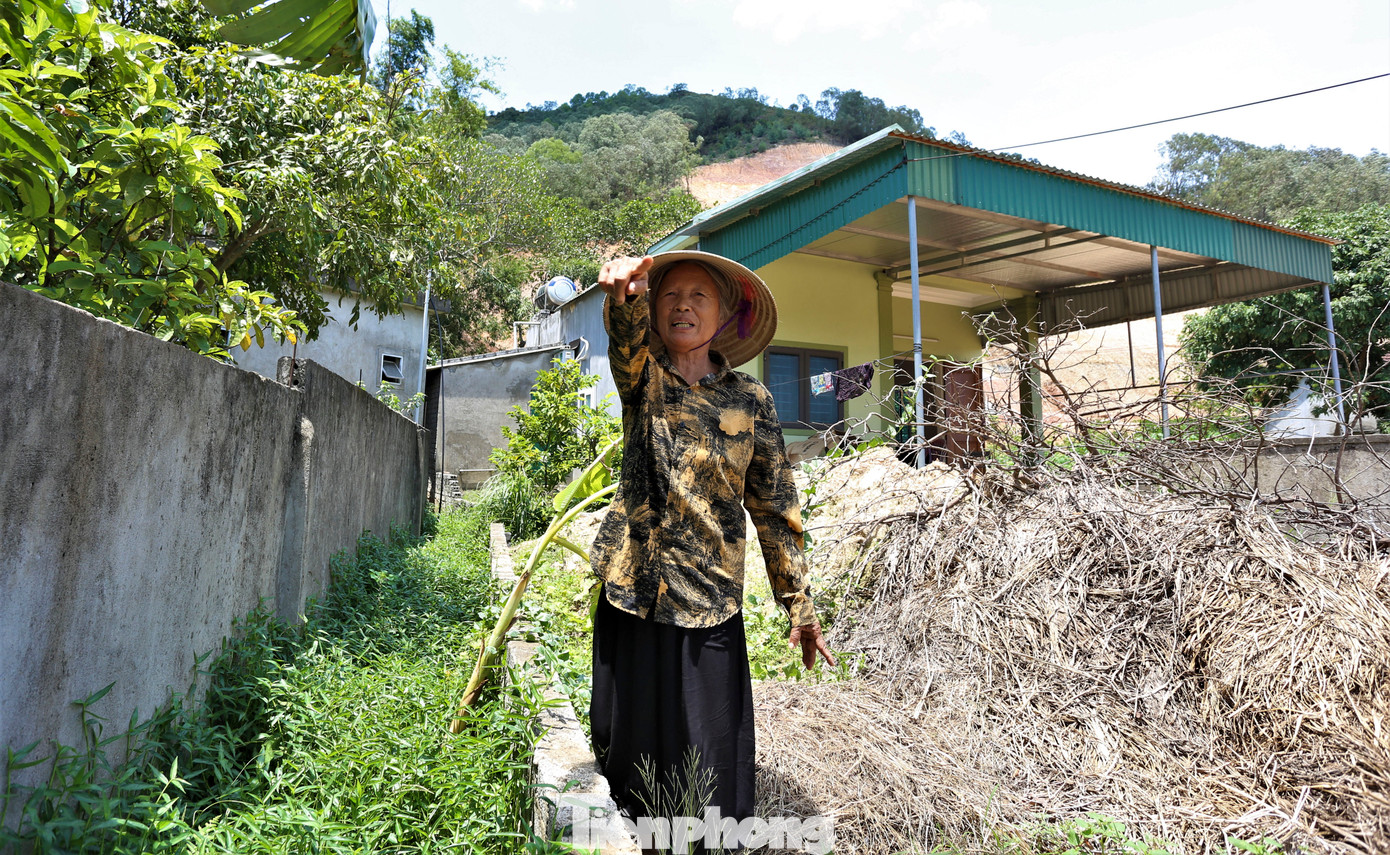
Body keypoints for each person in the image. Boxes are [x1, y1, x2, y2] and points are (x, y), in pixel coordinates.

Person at [588, 251, 834, 841]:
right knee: (632, 765)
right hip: (637, 594)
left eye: (699, 296)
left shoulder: (751, 401)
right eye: (670, 295)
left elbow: (774, 508)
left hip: (711, 599)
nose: (683, 306)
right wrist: (623, 295)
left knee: (713, 773)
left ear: (723, 315)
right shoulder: (643, 377)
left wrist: (797, 601)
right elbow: (622, 336)